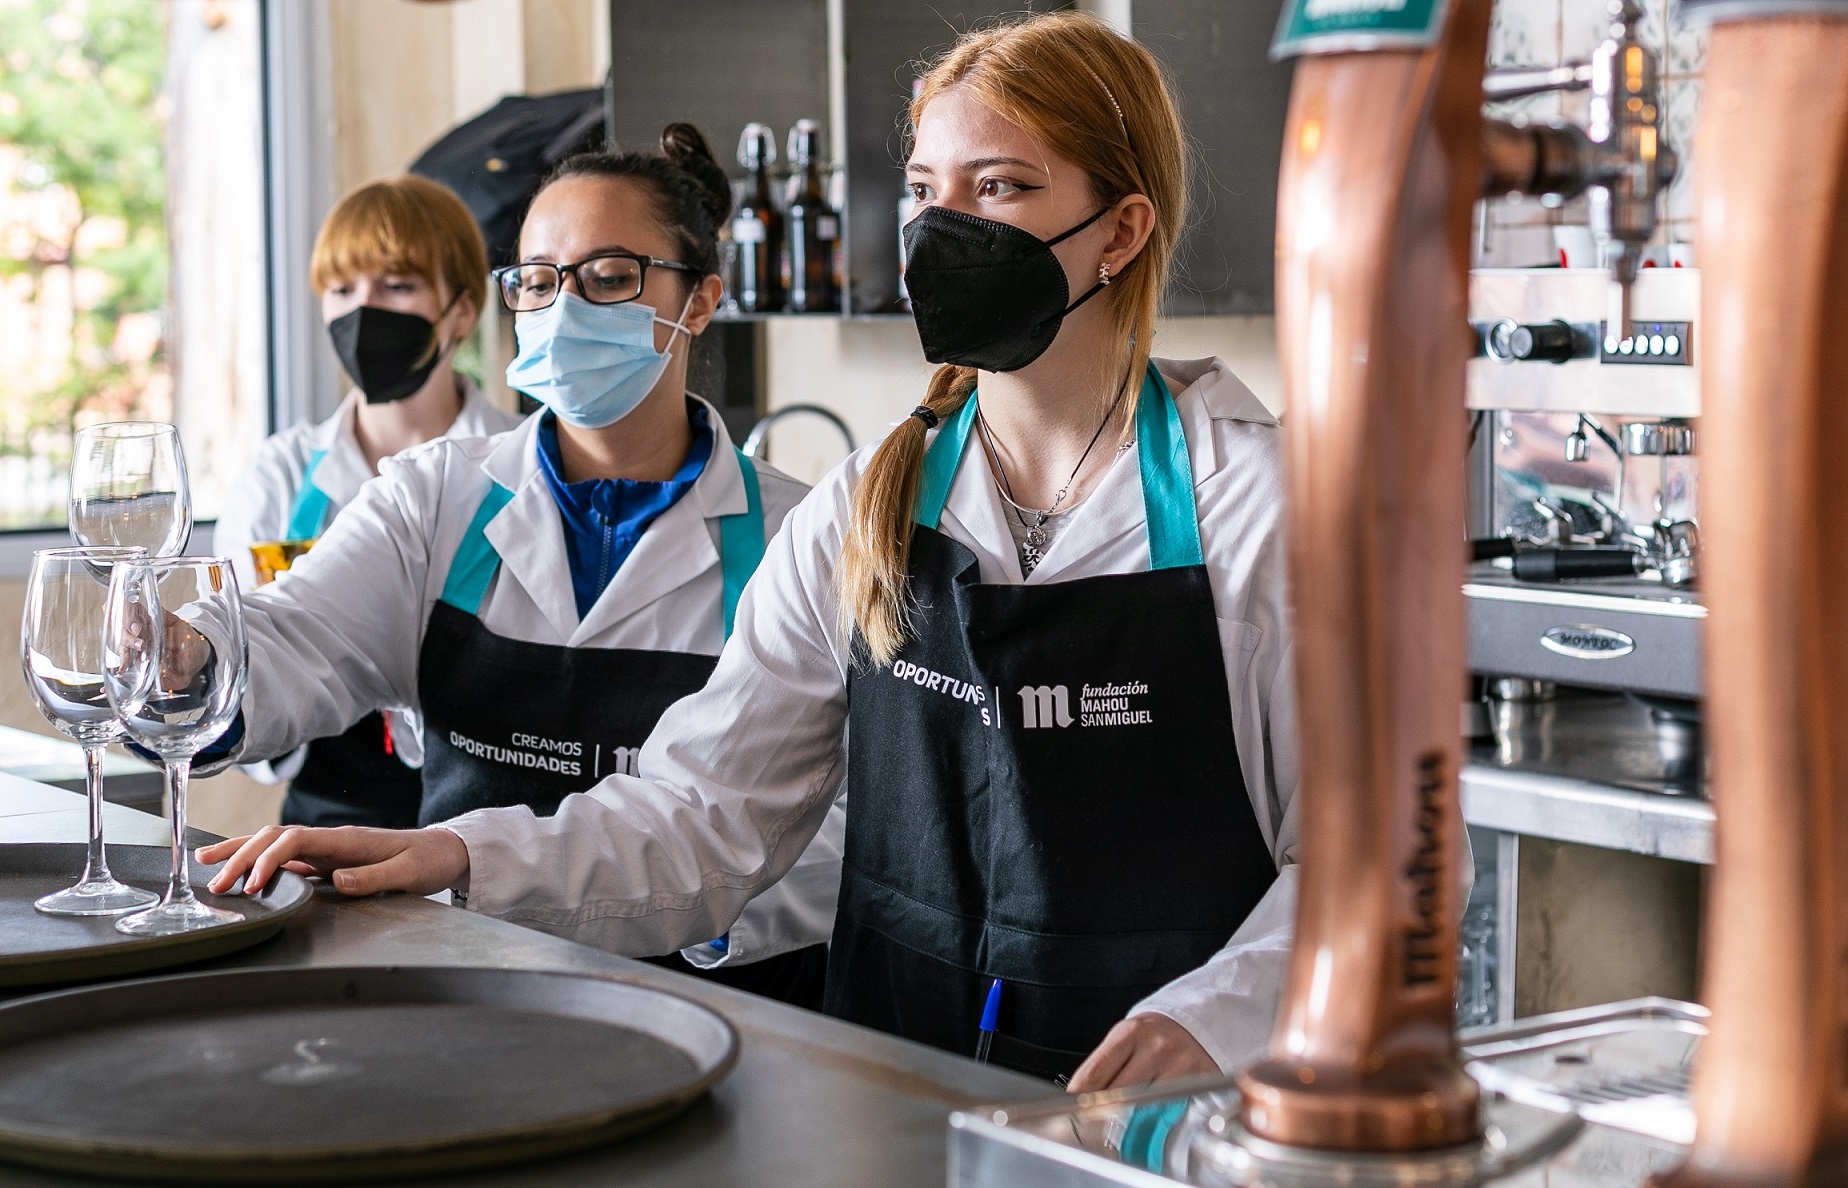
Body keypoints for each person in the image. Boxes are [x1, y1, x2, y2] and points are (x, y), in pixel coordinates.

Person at [203, 13, 1298, 1086]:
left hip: (1166, 1116)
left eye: (999, 187)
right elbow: (706, 815)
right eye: (925, 191)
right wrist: (458, 855)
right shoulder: (869, 505)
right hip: (900, 1093)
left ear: (1121, 229)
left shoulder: (1260, 505)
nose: (942, 227)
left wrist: (1216, 1018)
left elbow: (1363, 863)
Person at [203, 125, 842, 1007]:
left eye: (609, 278)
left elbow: (829, 829)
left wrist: (680, 909)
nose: (565, 310)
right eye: (538, 282)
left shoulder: (799, 535)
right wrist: (190, 656)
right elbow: (298, 634)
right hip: (473, 981)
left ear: (699, 303)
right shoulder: (437, 496)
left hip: (720, 1000)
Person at [215, 175, 524, 830]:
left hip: (494, 829)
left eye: (397, 286)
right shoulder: (280, 476)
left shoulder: (527, 466)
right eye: (342, 290)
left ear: (462, 311)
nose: (364, 311)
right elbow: (240, 687)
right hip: (324, 828)